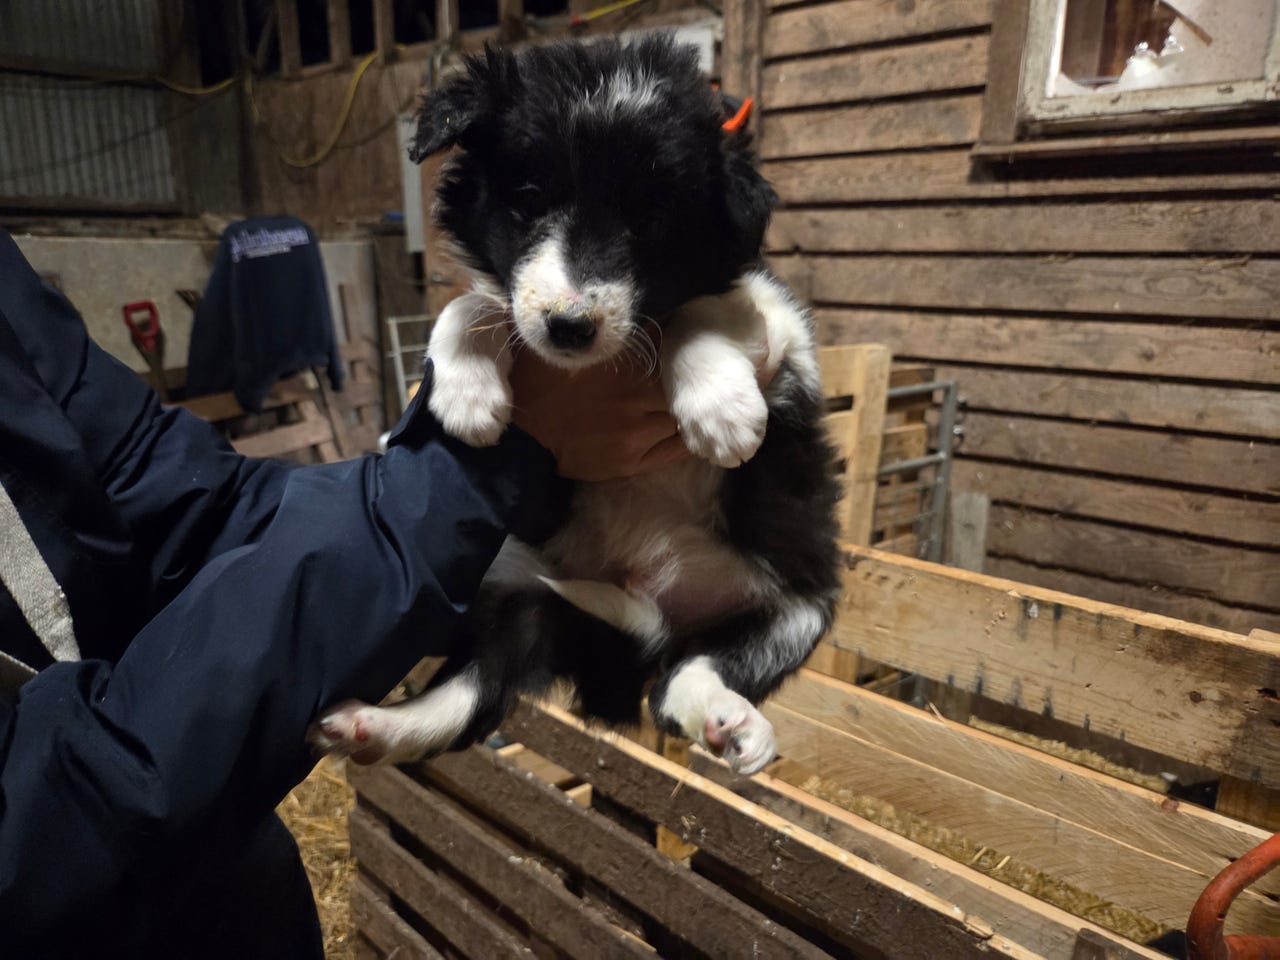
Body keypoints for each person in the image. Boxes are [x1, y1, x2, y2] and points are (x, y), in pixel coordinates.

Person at [0, 229, 689, 957]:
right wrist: (474, 476)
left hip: (226, 892)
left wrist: (449, 504)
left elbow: (177, 496)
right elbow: (44, 819)